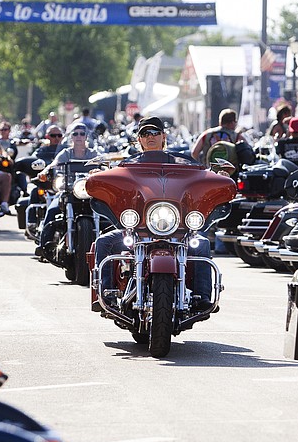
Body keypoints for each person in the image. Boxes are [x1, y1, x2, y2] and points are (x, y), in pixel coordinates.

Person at [92, 116, 214, 312]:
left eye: (155, 132)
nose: (150, 137)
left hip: (176, 228)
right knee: (103, 242)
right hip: (136, 229)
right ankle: (106, 294)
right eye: (145, 133)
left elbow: (200, 176)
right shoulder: (126, 166)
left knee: (202, 244)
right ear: (139, 139)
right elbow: (113, 183)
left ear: (163, 136)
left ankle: (203, 297)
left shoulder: (181, 164)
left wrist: (217, 176)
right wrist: (98, 176)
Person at [35, 122, 101, 255]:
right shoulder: (66, 153)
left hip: (89, 192)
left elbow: (103, 164)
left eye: (82, 134)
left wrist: (105, 169)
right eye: (75, 134)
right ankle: (43, 245)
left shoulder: (93, 153)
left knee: (107, 213)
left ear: (86, 137)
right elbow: (53, 165)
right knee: (52, 210)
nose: (78, 136)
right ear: (71, 137)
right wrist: (44, 172)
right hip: (68, 190)